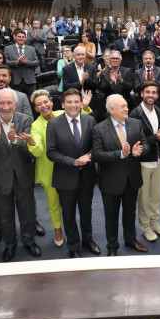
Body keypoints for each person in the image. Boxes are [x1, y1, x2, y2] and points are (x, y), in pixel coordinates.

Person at [0, 89, 40, 262]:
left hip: (23, 175)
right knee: (5, 216)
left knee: (27, 212)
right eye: (2, 103)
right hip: (0, 178)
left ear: (15, 104)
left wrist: (15, 141)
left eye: (9, 103)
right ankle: (10, 245)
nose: (6, 107)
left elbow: (30, 148)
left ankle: (29, 241)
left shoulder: (26, 119)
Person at [29, 89, 91, 250]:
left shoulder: (63, 113)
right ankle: (61, 234)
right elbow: (42, 151)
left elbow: (81, 117)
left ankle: (86, 240)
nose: (43, 106)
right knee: (57, 206)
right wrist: (30, 141)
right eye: (38, 104)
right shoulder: (37, 126)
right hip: (51, 171)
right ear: (35, 108)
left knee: (82, 209)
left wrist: (84, 106)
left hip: (77, 170)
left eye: (45, 102)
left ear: (52, 102)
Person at [44, 88, 100, 258]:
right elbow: (51, 152)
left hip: (87, 177)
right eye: (69, 102)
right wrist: (73, 162)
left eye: (77, 101)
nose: (73, 105)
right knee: (68, 214)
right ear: (63, 104)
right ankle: (73, 246)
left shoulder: (90, 121)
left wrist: (89, 155)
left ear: (81, 103)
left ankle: (88, 240)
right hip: (65, 177)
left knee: (86, 211)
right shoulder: (53, 124)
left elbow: (96, 146)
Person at [91, 94, 150, 256]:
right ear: (111, 109)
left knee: (130, 213)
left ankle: (131, 240)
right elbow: (96, 155)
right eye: (122, 106)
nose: (127, 108)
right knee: (111, 217)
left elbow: (145, 145)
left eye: (126, 105)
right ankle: (112, 247)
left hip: (132, 178)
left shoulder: (136, 124)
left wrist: (140, 151)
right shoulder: (99, 129)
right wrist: (121, 154)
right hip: (110, 181)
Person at [129, 81, 160, 242]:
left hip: (159, 160)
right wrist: (156, 138)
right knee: (144, 198)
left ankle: (155, 223)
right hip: (143, 163)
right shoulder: (135, 114)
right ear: (142, 94)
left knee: (156, 196)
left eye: (154, 92)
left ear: (157, 95)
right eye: (148, 92)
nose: (151, 95)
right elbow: (135, 141)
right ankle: (145, 227)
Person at [4, 29, 38, 97]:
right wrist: (16, 62)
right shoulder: (8, 49)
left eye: (23, 37)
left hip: (30, 81)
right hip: (15, 81)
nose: (21, 38)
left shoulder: (31, 49)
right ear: (15, 37)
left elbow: (36, 62)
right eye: (19, 37)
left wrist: (26, 62)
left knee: (32, 102)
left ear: (25, 38)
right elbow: (5, 63)